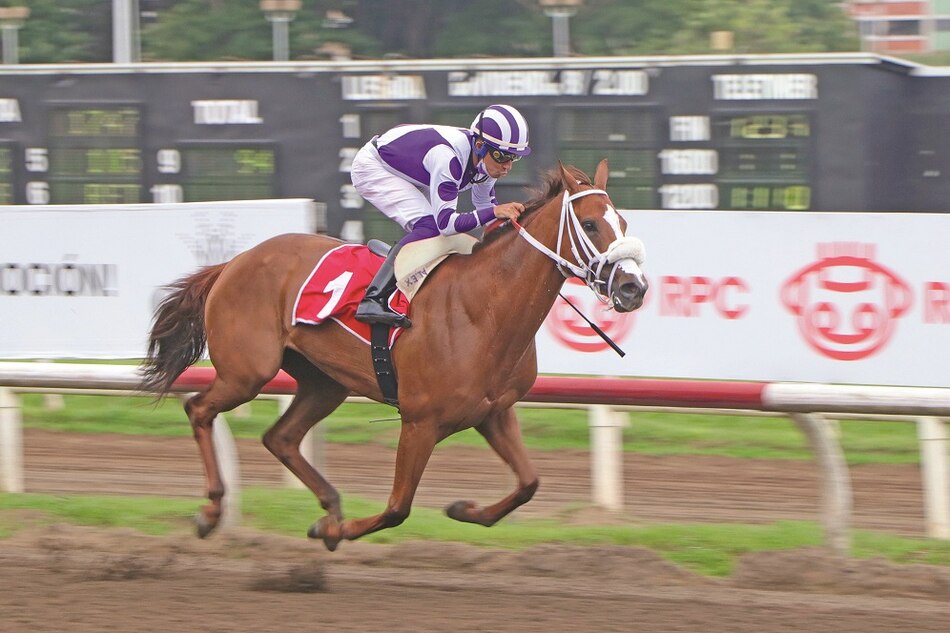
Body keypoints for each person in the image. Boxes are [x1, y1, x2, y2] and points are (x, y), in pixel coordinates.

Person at [350, 104, 531, 328]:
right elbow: (447, 224)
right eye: (502, 156)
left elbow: (486, 210)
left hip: (412, 168)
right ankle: (373, 298)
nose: (507, 166)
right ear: (480, 145)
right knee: (431, 227)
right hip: (374, 166)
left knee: (434, 231)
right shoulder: (449, 159)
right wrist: (495, 211)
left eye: (514, 158)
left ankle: (405, 265)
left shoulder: (486, 162)